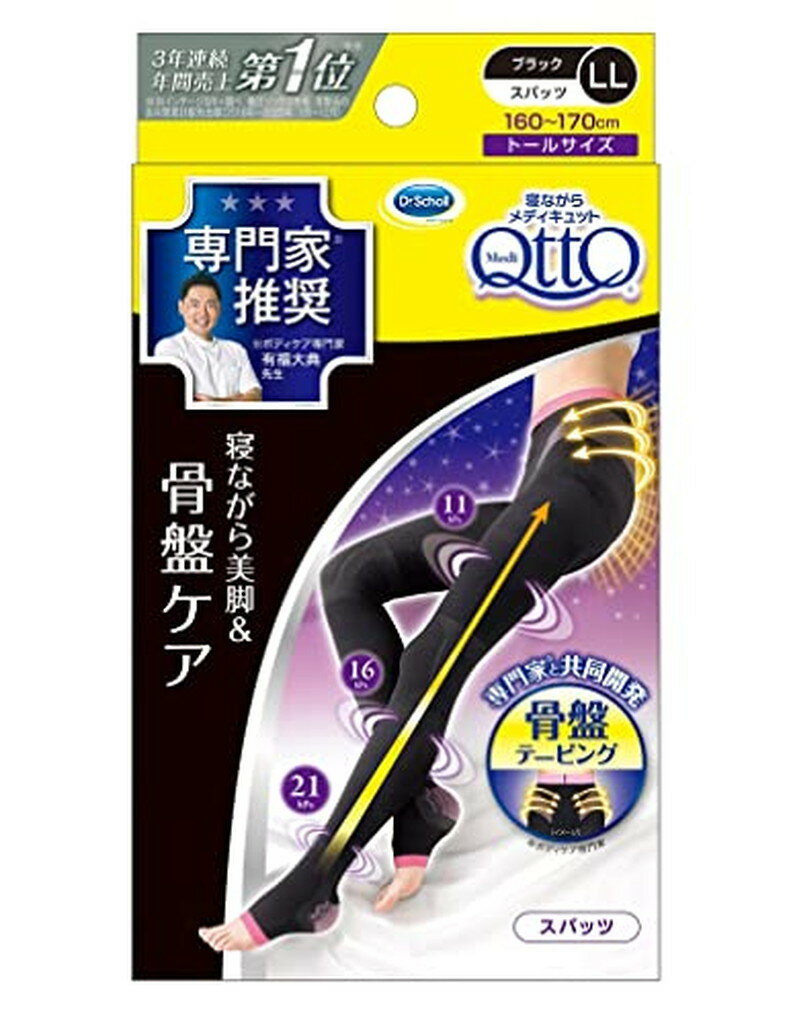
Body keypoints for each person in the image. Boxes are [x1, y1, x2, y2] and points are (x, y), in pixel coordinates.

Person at [199, 334, 645, 952]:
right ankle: (417, 806)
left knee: (436, 659)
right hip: (550, 465)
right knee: (350, 576)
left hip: (587, 466)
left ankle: (315, 880)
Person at [154, 272, 262, 402]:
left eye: (210, 305)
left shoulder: (236, 350)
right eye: (195, 305)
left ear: (219, 309)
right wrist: (237, 399)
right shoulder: (169, 347)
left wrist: (217, 402)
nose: (203, 313)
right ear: (181, 307)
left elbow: (255, 395)